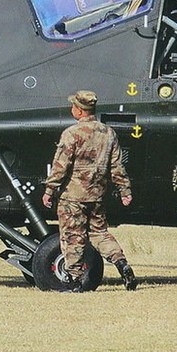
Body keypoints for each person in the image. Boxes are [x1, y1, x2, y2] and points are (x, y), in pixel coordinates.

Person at [42, 90, 137, 292]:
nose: (71, 109)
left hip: (73, 197)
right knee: (100, 233)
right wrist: (124, 191)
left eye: (73, 106)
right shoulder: (108, 133)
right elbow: (117, 166)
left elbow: (61, 165)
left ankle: (74, 280)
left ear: (79, 110)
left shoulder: (71, 134)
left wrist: (50, 190)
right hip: (97, 195)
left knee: (73, 236)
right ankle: (121, 263)